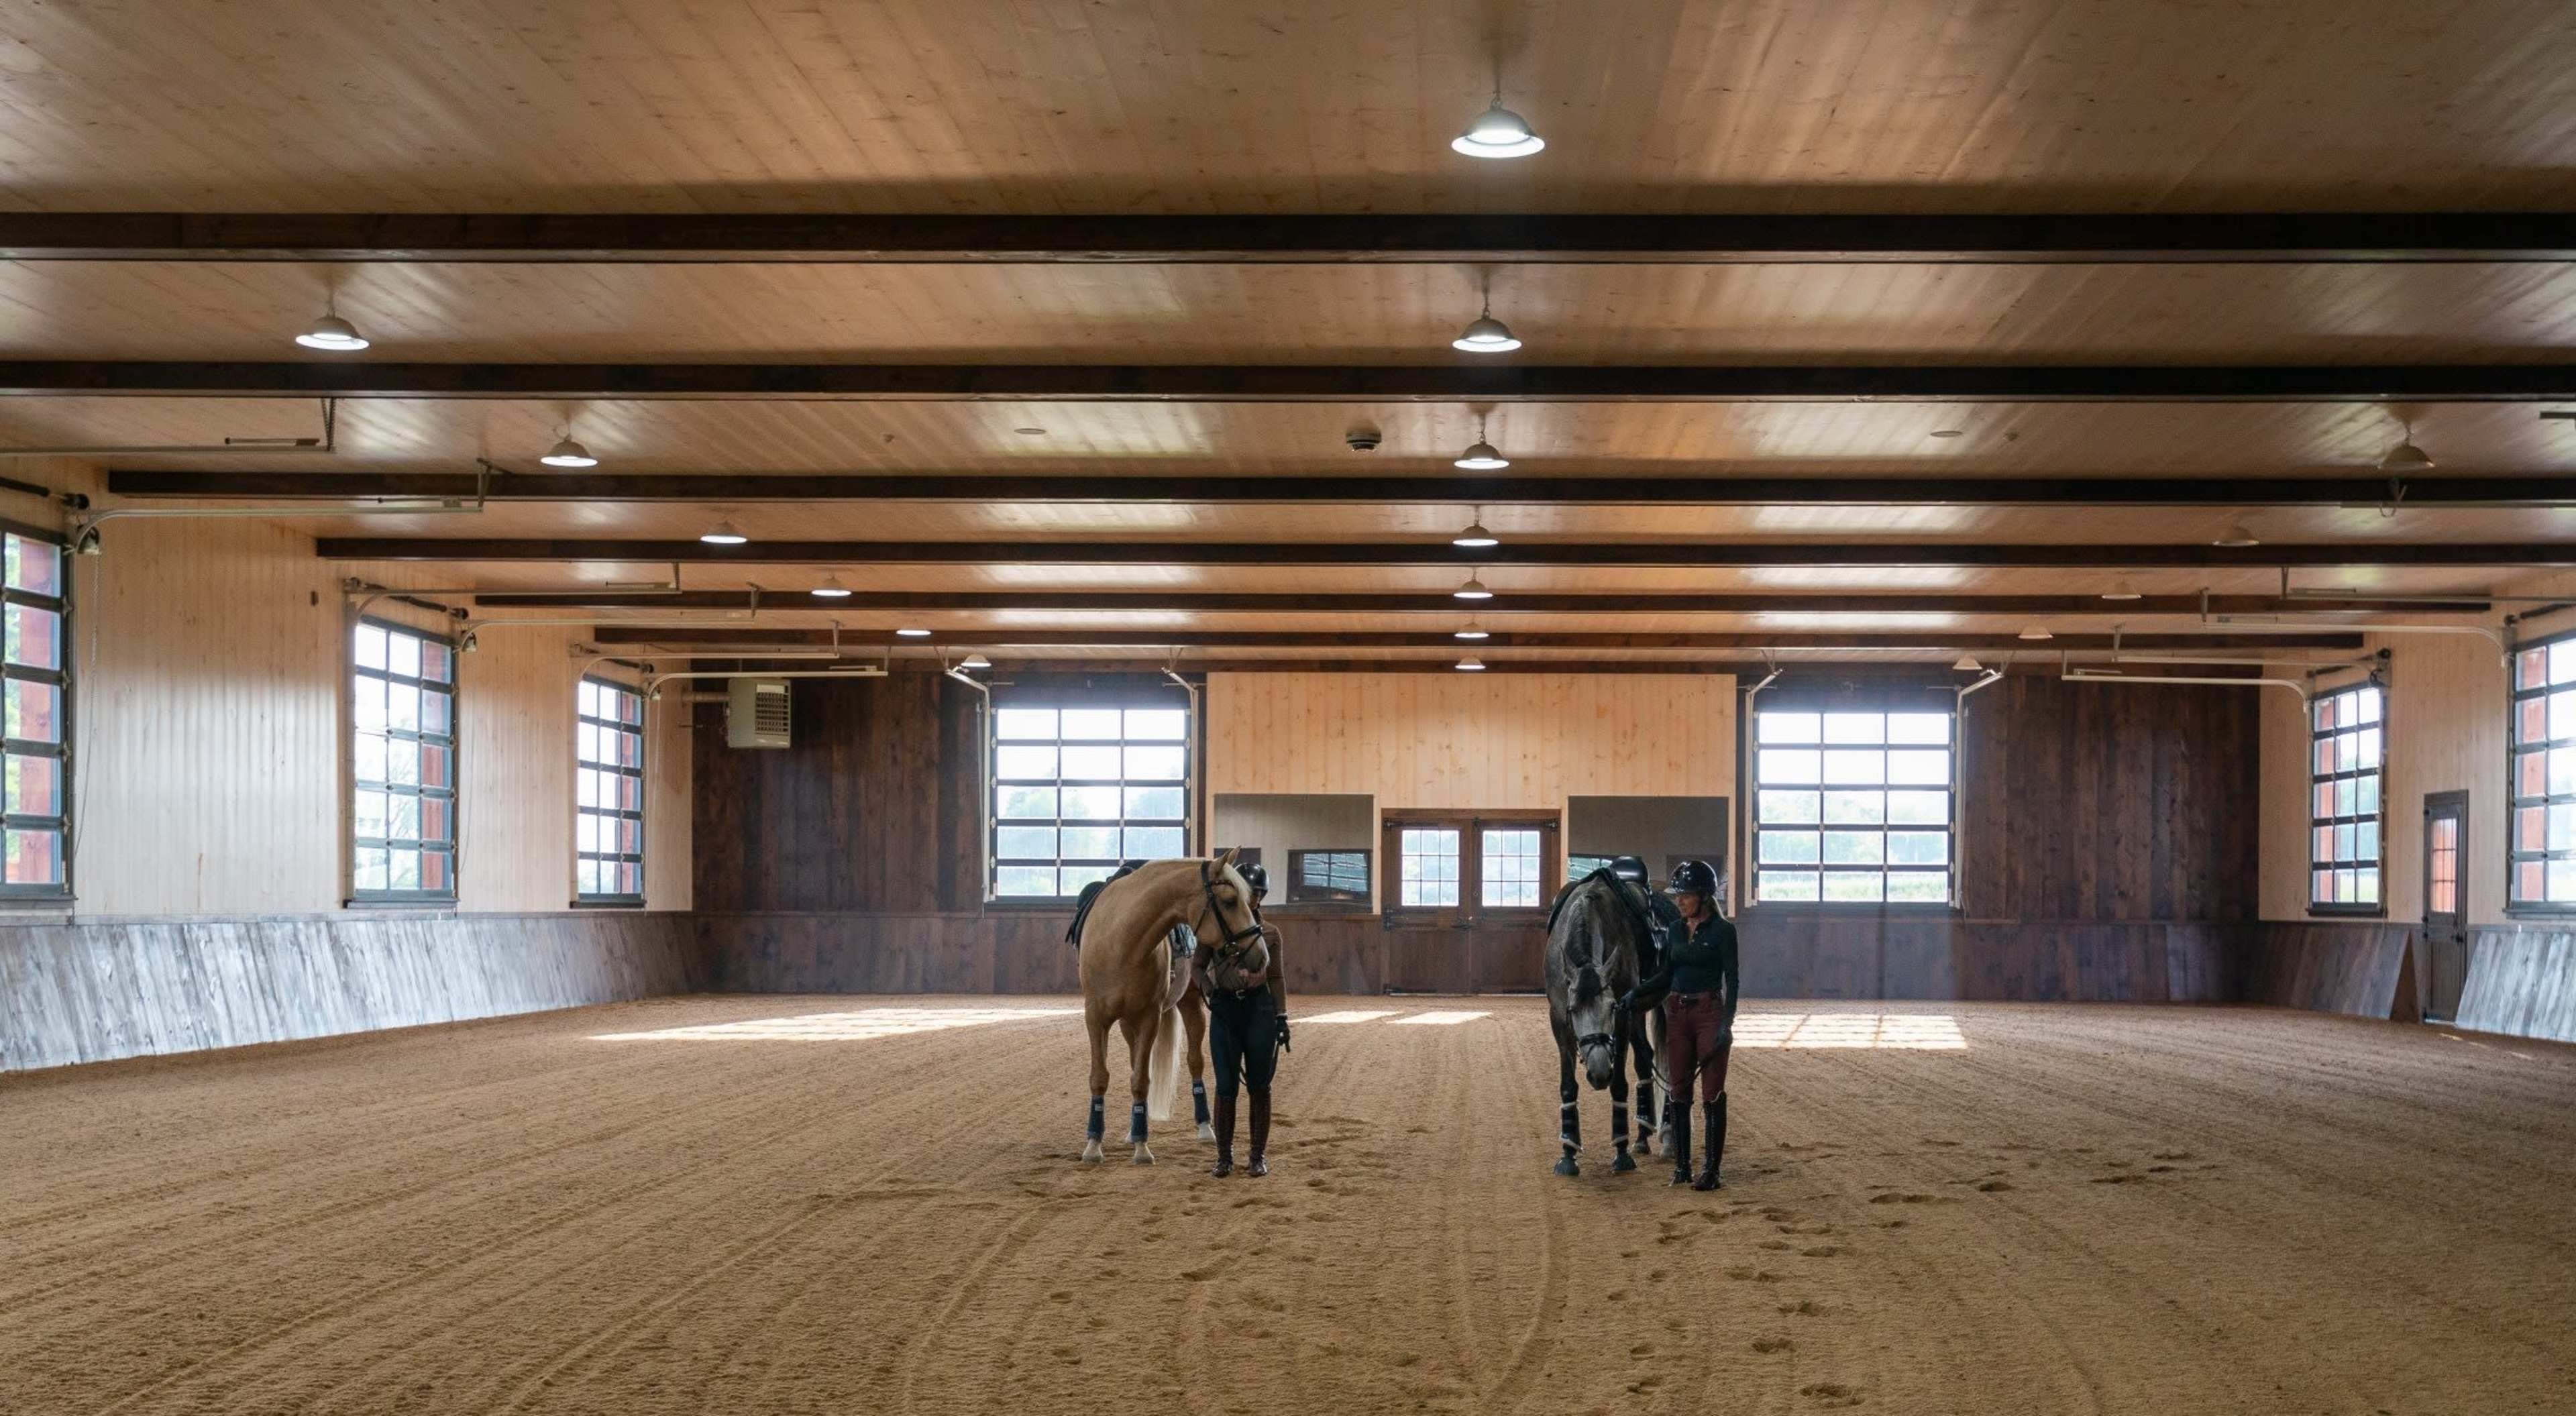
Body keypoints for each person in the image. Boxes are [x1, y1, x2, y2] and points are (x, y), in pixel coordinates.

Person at [1621, 858, 1736, 1189]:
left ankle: (1711, 1171)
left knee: (1712, 1093)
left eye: (1685, 895)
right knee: (1679, 1091)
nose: (1679, 901)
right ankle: (1683, 1167)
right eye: (1679, 895)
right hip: (1677, 1014)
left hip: (1709, 1013)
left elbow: (1733, 981)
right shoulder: (1674, 931)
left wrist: (1726, 1025)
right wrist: (1636, 993)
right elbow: (1666, 976)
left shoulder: (1723, 932)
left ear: (1703, 897)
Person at [1193, 863, 1288, 1177]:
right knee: (1225, 1086)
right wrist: (1209, 990)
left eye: (1260, 894)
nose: (1255, 899)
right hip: (1225, 1010)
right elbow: (1197, 967)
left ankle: (1257, 1156)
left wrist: (1282, 1016)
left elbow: (1277, 978)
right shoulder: (1215, 932)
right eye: (1251, 893)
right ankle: (1224, 1157)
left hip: (1259, 1010)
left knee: (1260, 1085)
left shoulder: (1271, 934)